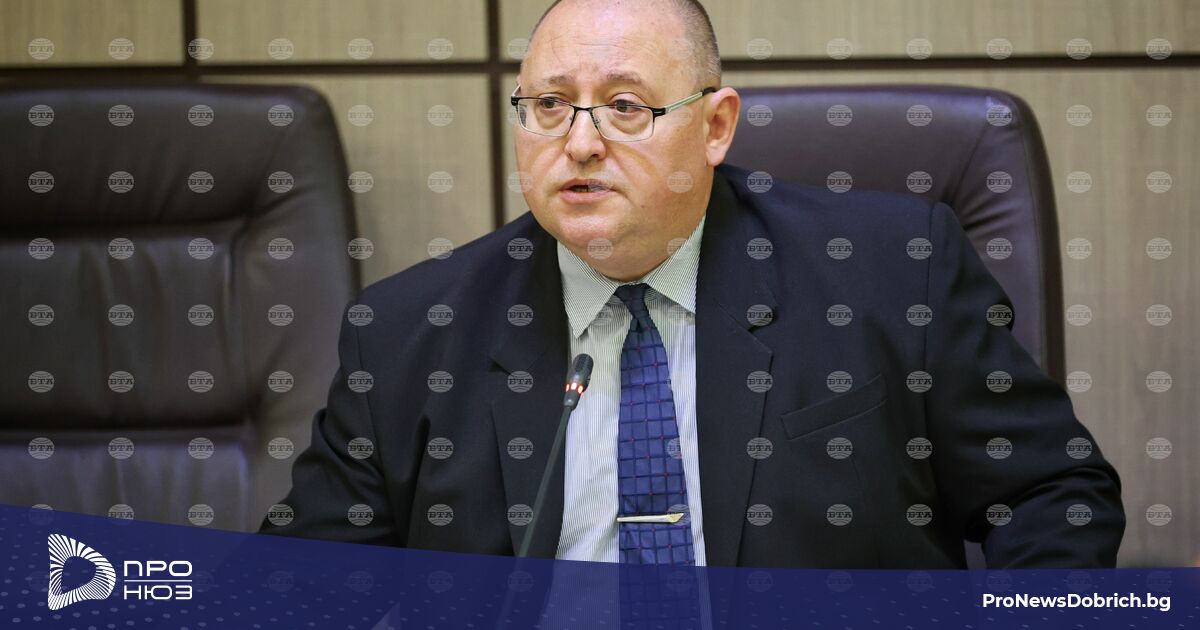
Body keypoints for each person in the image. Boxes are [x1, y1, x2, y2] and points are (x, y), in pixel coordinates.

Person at [262, 0, 1124, 568]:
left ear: (715, 127)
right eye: (550, 105)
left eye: (626, 106)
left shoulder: (894, 272)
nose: (581, 141)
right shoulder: (410, 332)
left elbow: (1049, 496)